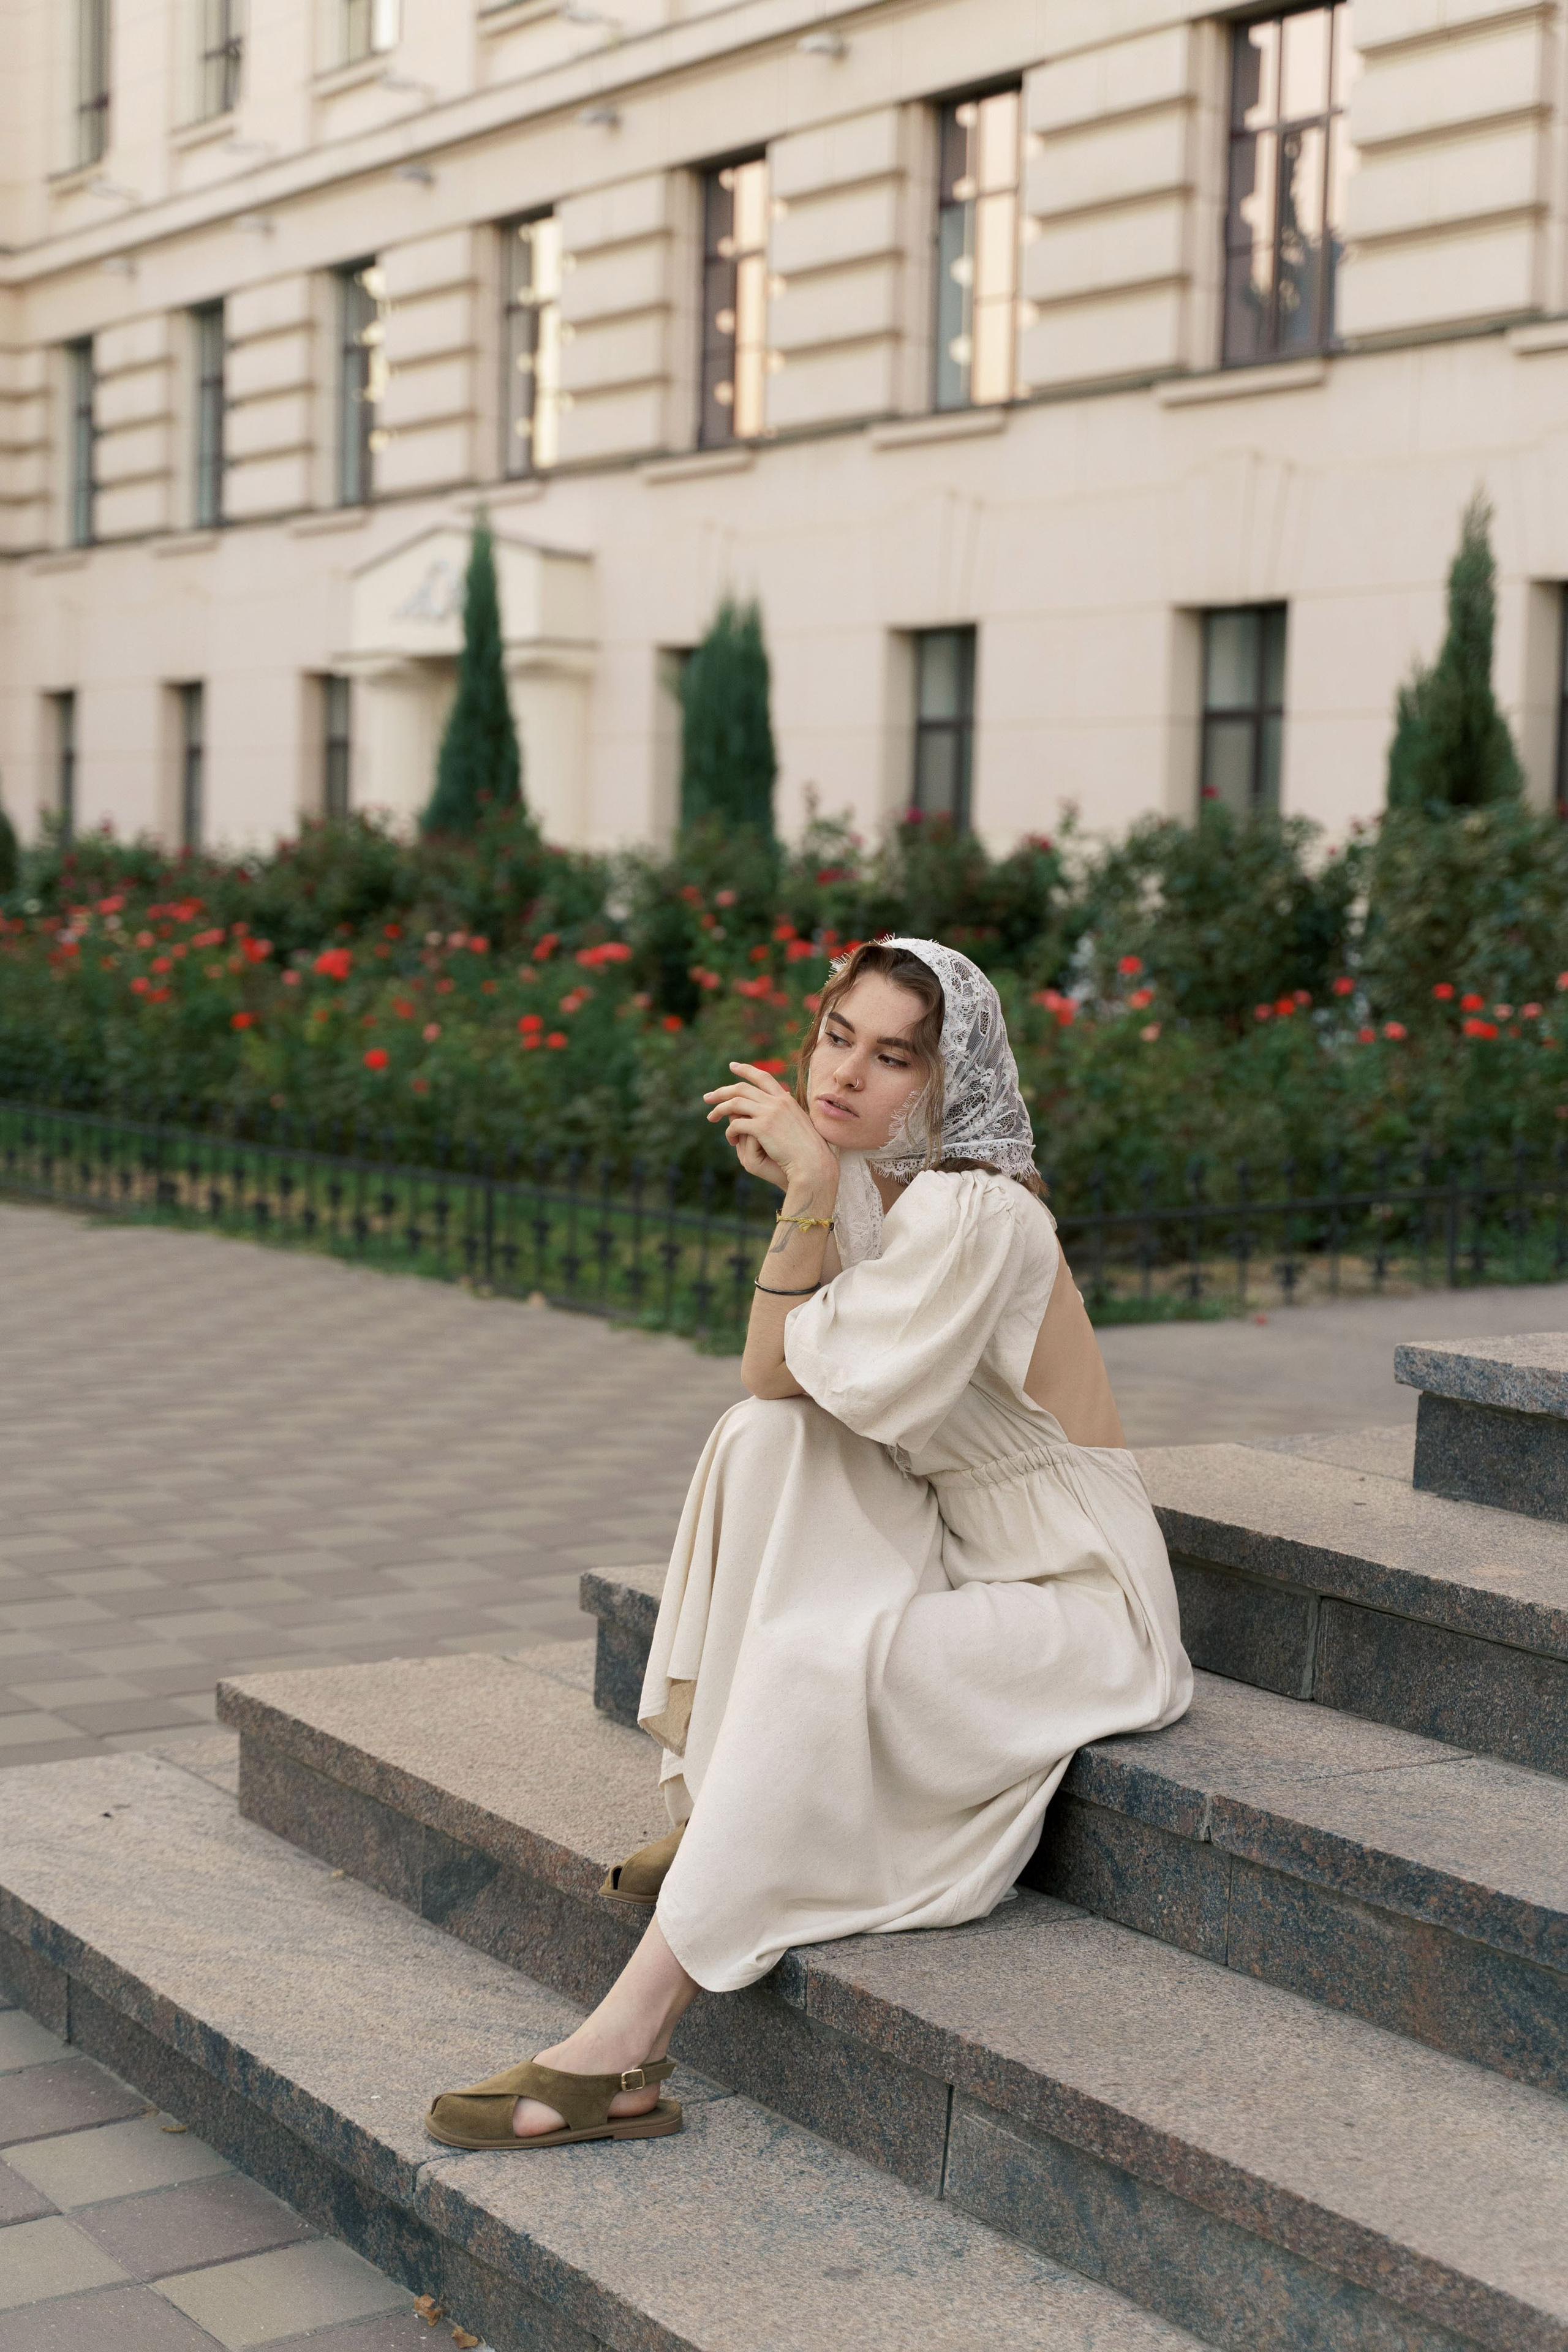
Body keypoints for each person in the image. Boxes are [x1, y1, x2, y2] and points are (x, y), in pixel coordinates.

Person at [425, 937, 1193, 2152]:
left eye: (894, 1058)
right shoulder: (897, 1199)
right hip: (961, 1542)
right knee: (758, 1442)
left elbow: (770, 1353)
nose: (845, 1075)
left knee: (809, 1653)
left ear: (946, 1085)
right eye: (837, 1036)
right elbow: (776, 1397)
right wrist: (827, 1192)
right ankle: (737, 1796)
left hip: (1073, 1599)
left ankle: (623, 2045)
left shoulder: (975, 1211)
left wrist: (806, 1189)